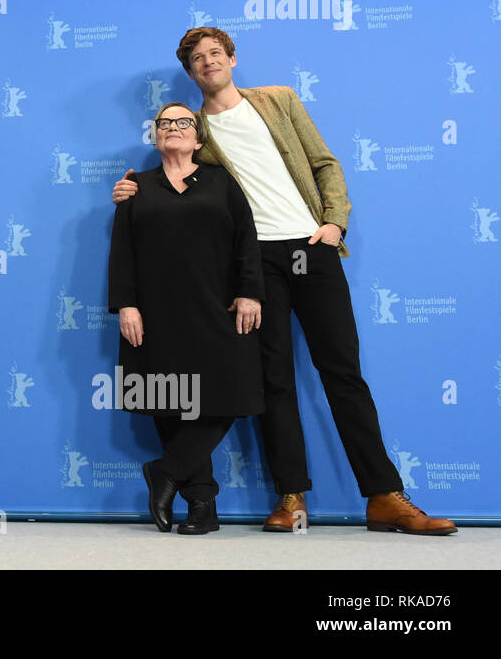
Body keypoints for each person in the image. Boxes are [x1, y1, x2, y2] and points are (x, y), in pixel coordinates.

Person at [112, 27, 457, 535]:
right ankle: (291, 497)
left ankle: (386, 496)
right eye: (196, 59)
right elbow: (179, 181)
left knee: (343, 373)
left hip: (309, 248)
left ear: (231, 58)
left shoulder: (277, 101)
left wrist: (334, 221)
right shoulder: (195, 132)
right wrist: (130, 189)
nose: (207, 62)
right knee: (273, 381)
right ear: (190, 72)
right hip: (253, 265)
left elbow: (324, 162)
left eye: (214, 53)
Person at [108, 101, 264, 535]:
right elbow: (122, 249)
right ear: (155, 135)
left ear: (198, 138)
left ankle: (166, 472)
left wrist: (250, 292)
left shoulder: (221, 182)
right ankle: (202, 506)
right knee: (170, 404)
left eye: (183, 122)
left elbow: (246, 240)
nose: (173, 128)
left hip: (218, 309)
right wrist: (126, 304)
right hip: (155, 314)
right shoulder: (135, 186)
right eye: (165, 123)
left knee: (231, 394)